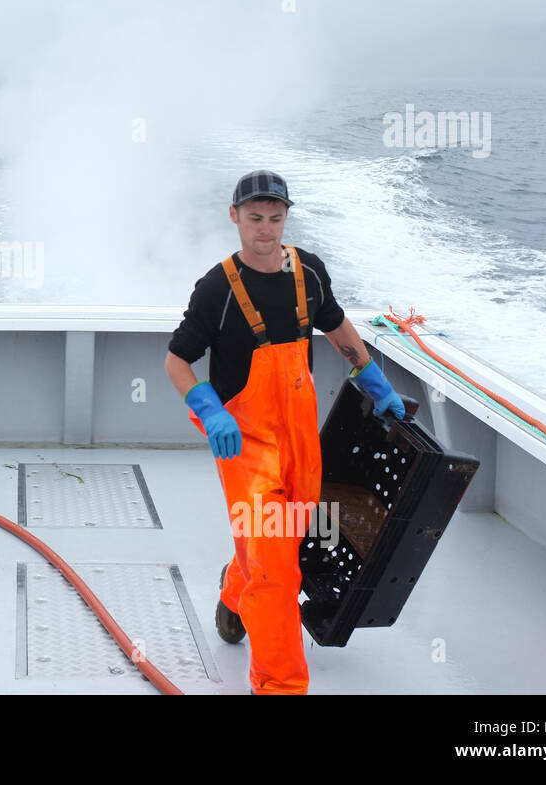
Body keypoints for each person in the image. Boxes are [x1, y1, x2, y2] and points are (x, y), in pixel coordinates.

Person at [163, 170, 404, 695]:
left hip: (298, 441)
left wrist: (372, 377)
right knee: (276, 572)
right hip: (246, 447)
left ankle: (232, 597)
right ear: (235, 217)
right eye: (255, 219)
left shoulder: (308, 273)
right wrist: (209, 408)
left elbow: (336, 325)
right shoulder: (216, 288)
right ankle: (279, 684)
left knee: (277, 544)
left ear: (286, 217)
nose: (265, 230)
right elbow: (177, 361)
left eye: (275, 218)